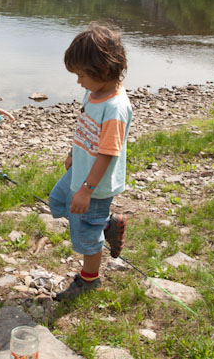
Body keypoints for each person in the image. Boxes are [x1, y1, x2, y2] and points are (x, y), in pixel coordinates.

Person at [49, 23, 133, 301]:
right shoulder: (94, 92)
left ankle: (89, 279)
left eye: (82, 75)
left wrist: (86, 189)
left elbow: (109, 152)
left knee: (85, 234)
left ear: (105, 71)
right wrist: (74, 154)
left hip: (94, 184)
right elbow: (85, 128)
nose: (78, 82)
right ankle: (107, 224)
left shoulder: (115, 108)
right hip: (81, 171)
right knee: (58, 202)